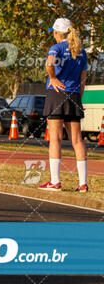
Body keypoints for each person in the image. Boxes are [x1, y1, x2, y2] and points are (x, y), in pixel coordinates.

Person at [39, 18, 89, 192]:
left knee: (56, 139)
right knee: (77, 140)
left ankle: (55, 181)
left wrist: (53, 78)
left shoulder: (56, 47)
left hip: (57, 93)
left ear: (56, 33)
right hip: (74, 95)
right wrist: (79, 98)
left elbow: (49, 64)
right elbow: (83, 79)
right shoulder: (81, 51)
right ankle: (83, 183)